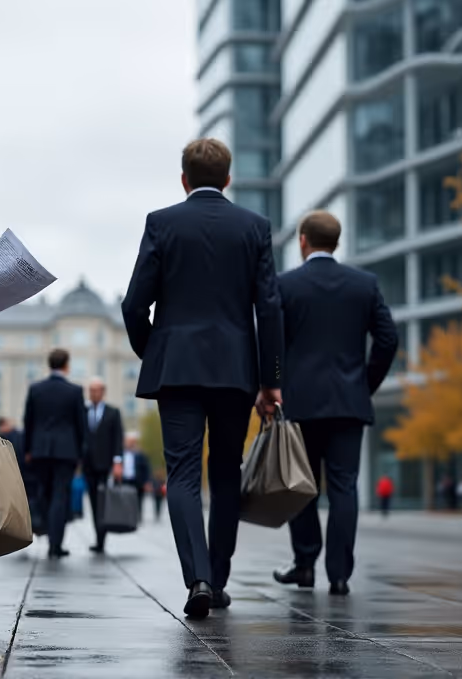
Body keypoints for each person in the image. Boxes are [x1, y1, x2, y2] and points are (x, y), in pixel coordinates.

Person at [122, 138, 283, 619]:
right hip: (236, 371)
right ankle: (218, 576)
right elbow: (269, 308)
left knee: (183, 476)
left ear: (184, 179)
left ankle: (197, 580)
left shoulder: (162, 223)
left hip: (176, 369)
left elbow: (134, 305)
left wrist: (154, 352)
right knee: (226, 475)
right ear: (228, 178)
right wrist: (270, 379)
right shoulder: (255, 228)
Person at [268, 211, 398, 597]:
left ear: (303, 240)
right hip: (348, 403)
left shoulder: (286, 285)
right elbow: (388, 340)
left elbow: (271, 342)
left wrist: (274, 384)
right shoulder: (364, 284)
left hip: (300, 403)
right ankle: (339, 575)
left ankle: (305, 566)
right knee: (344, 487)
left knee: (299, 485)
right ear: (336, 243)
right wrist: (364, 384)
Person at [23, 349, 87, 559]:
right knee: (60, 495)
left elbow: (28, 421)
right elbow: (81, 425)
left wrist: (27, 450)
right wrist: (81, 452)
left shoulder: (35, 389)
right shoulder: (75, 391)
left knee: (45, 493)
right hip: (66, 451)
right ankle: (55, 544)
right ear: (66, 365)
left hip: (40, 450)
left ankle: (48, 532)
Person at [83, 378, 123, 553]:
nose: (93, 393)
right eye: (91, 390)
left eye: (96, 390)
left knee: (103, 501)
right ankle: (98, 536)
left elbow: (118, 439)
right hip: (87, 464)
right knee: (93, 501)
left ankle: (102, 538)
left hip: (105, 464)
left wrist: (117, 463)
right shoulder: (83, 411)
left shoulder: (113, 413)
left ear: (103, 392)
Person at [122, 432, 151, 519]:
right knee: (125, 499)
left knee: (138, 500)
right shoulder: (121, 453)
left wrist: (147, 482)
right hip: (125, 480)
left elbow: (146, 469)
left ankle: (138, 517)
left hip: (138, 481)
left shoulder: (140, 454)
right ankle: (127, 517)